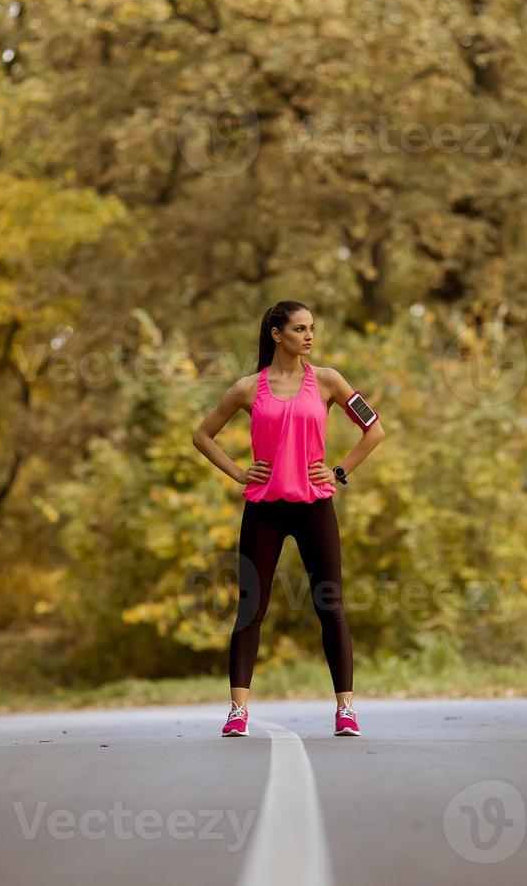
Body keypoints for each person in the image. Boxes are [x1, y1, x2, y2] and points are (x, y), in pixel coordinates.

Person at [191, 300, 386, 737]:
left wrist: (339, 471)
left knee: (329, 605)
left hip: (315, 504)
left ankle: (346, 710)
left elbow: (375, 429)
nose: (309, 336)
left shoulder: (329, 381)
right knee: (249, 609)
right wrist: (239, 472)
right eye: (300, 329)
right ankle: (238, 712)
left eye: (312, 328)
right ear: (276, 334)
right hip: (265, 508)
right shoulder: (247, 388)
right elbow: (202, 435)